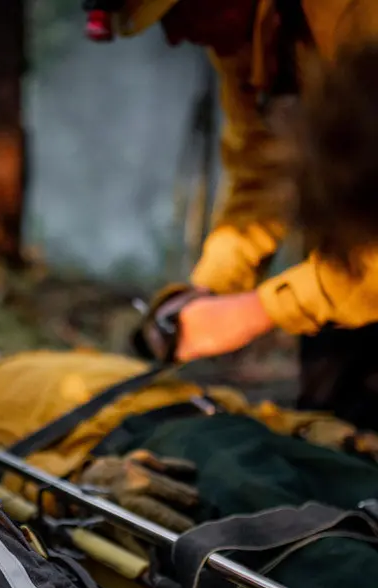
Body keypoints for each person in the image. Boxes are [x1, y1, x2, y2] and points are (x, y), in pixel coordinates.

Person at [94, 1, 378, 431]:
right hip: (345, 279)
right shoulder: (249, 40)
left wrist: (257, 311)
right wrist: (211, 289)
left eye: (180, 14)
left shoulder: (356, 16)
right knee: (338, 429)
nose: (177, 38)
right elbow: (262, 172)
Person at [0, 342, 378, 531]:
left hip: (231, 422)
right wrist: (80, 480)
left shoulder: (52, 359)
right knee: (316, 546)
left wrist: (302, 426)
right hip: (165, 449)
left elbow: (201, 393)